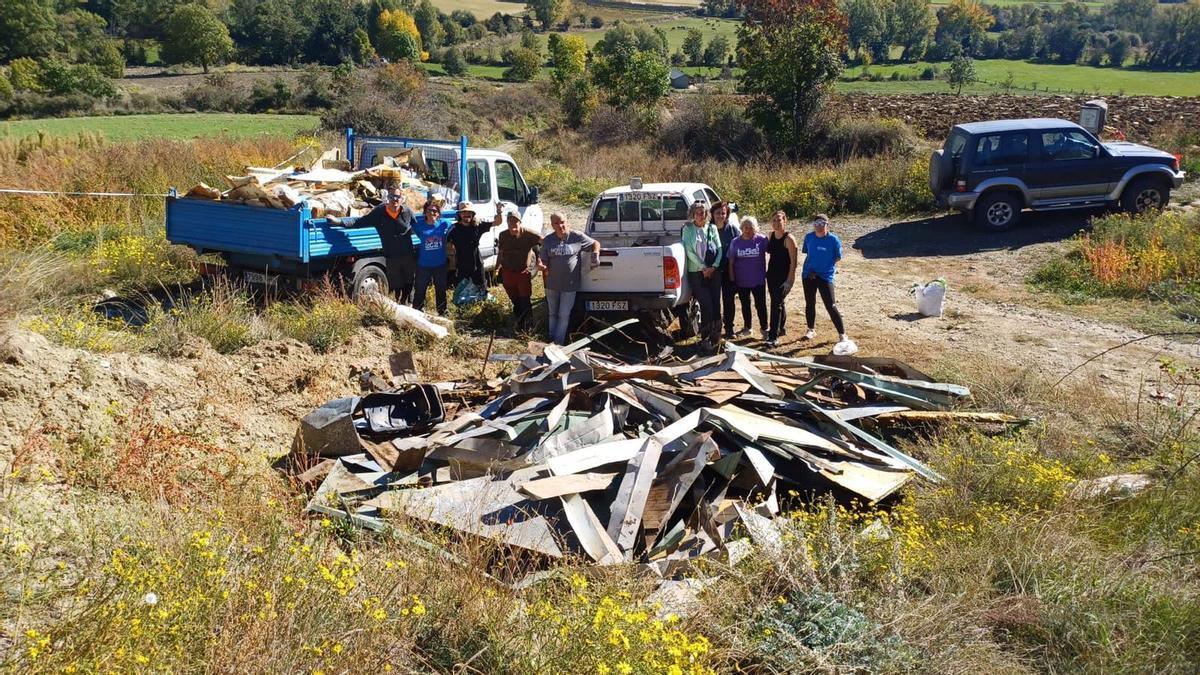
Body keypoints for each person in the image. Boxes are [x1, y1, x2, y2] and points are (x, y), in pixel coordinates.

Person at [539, 213, 600, 344]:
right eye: (556, 223)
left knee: (564, 315)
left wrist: (595, 254)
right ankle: (550, 339)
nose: (560, 226)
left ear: (567, 222)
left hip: (570, 285)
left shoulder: (577, 236)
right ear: (552, 225)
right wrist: (541, 266)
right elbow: (543, 261)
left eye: (562, 222)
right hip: (552, 284)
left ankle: (558, 343)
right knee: (552, 314)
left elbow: (595, 243)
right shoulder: (548, 240)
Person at [354, 188, 417, 303]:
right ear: (387, 198)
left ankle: (408, 303)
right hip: (391, 256)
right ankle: (400, 304)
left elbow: (418, 227)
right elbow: (360, 222)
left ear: (401, 199)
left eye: (397, 197)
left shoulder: (407, 212)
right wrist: (339, 222)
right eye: (392, 197)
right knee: (396, 285)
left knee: (409, 282)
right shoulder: (380, 212)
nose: (395, 200)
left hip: (407, 255)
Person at [800, 214, 847, 343]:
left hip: (825, 275)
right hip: (808, 274)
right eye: (816, 224)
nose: (819, 227)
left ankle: (842, 334)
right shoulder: (809, 237)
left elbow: (837, 257)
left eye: (822, 224)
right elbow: (807, 252)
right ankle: (810, 329)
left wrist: (825, 266)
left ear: (827, 225)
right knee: (810, 303)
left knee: (830, 305)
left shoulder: (833, 240)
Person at [682, 201, 723, 350]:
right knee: (706, 305)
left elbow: (719, 248)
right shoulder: (687, 229)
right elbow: (689, 251)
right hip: (696, 273)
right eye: (698, 213)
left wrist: (714, 266)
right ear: (693, 214)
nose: (701, 215)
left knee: (716, 304)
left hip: (714, 272)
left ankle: (716, 337)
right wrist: (703, 267)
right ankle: (705, 338)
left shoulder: (711, 228)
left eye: (703, 213)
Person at [494, 206, 543, 329]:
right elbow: (501, 252)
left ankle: (529, 326)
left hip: (523, 272)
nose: (513, 223)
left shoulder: (529, 234)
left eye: (515, 221)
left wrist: (540, 260)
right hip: (507, 272)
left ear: (520, 222)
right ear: (507, 222)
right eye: (510, 221)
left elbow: (545, 242)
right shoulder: (503, 235)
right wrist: (496, 268)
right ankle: (519, 323)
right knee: (515, 300)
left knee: (525, 300)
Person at [728, 215, 769, 338]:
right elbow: (731, 261)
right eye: (745, 228)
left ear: (756, 228)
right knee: (745, 304)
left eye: (751, 228)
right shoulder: (735, 242)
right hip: (741, 280)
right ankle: (748, 327)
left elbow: (774, 252)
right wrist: (732, 278)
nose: (748, 230)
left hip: (758, 280)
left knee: (760, 304)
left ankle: (764, 328)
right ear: (741, 228)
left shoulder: (762, 240)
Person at [413, 200, 452, 315]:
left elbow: (454, 227)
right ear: (425, 212)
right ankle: (417, 311)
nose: (432, 213)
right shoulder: (419, 225)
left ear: (439, 213)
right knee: (420, 289)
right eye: (429, 210)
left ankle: (442, 311)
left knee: (440, 289)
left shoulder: (445, 223)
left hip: (440, 264)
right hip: (423, 265)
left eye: (435, 211)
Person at [765, 209, 797, 348]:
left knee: (775, 305)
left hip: (784, 277)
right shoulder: (770, 235)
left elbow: (794, 262)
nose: (777, 223)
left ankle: (773, 336)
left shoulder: (789, 239)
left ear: (785, 221)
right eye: (774, 220)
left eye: (779, 220)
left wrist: (790, 280)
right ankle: (781, 328)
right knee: (778, 302)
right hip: (771, 275)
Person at [709, 200, 738, 340]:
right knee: (714, 299)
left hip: (729, 269)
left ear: (727, 214)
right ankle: (715, 327)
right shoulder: (707, 229)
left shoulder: (732, 229)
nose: (720, 215)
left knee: (728, 299)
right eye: (717, 213)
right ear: (712, 214)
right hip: (713, 270)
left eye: (723, 213)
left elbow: (740, 244)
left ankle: (729, 328)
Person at [447, 201, 486, 289]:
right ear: (460, 215)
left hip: (477, 266)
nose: (466, 215)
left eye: (469, 212)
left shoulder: (478, 226)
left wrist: (499, 212)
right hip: (461, 267)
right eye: (464, 212)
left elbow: (497, 222)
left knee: (481, 292)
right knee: (462, 294)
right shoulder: (454, 229)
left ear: (473, 214)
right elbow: (446, 244)